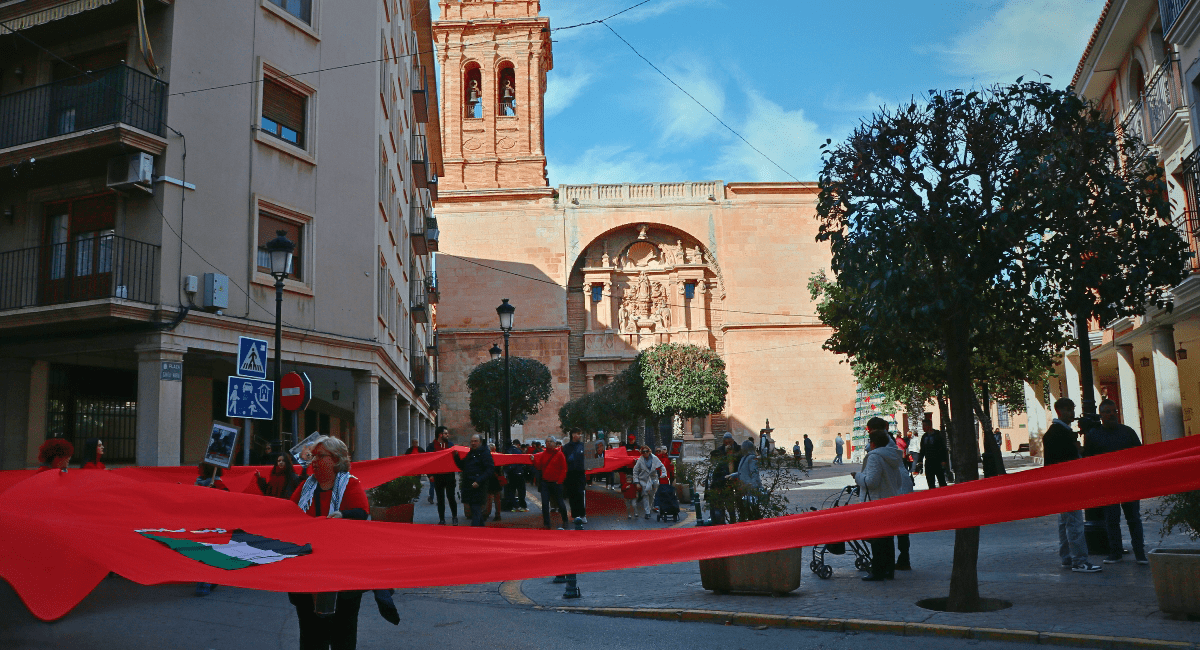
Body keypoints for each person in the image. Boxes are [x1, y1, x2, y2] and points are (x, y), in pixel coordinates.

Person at [287, 436, 372, 647]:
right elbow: (288, 512)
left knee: (343, 633)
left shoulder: (350, 483)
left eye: (320, 456)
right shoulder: (306, 485)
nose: (314, 461)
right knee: (309, 632)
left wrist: (342, 515)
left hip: (341, 573)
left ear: (335, 459)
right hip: (307, 569)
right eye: (312, 456)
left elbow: (362, 512)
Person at [1084, 399, 1147, 565]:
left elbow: (1140, 455)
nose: (1112, 414)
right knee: (1111, 521)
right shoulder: (1093, 436)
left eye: (1114, 411)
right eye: (1108, 412)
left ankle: (1140, 553)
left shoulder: (1128, 432)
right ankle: (1115, 553)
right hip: (1107, 485)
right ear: (1101, 415)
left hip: (1129, 484)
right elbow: (1088, 461)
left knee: (1134, 519)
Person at [1043, 397, 1102, 573]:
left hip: (1059, 484)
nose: (1072, 414)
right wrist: (1078, 451)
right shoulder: (1061, 434)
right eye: (1069, 410)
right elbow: (1068, 460)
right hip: (1068, 483)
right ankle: (1079, 560)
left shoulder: (1054, 433)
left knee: (1065, 522)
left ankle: (1067, 557)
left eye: (1072, 409)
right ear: (1060, 411)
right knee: (1075, 523)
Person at [853, 419, 905, 581]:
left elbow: (871, 482)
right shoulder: (893, 456)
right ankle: (888, 570)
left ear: (873, 443)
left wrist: (857, 477)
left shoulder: (874, 457)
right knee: (887, 539)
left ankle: (878, 570)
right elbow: (898, 481)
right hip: (889, 499)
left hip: (876, 502)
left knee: (876, 539)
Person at [194, 460, 230, 597]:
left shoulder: (219, 485)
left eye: (200, 467)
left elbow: (225, 503)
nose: (197, 469)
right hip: (198, 525)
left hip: (212, 526)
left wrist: (213, 493)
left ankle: (205, 583)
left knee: (207, 555)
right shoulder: (198, 483)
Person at [455, 434, 495, 527]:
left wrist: (479, 481)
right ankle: (480, 527)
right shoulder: (471, 453)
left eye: (475, 441)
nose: (473, 443)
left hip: (479, 485)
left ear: (480, 442)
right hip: (470, 484)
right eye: (472, 441)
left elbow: (489, 469)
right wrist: (456, 457)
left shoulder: (485, 453)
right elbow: (463, 466)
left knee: (476, 508)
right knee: (474, 509)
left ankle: (475, 530)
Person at [533, 436, 570, 529]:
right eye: (547, 441)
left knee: (560, 503)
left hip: (556, 483)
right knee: (545, 504)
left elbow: (564, 469)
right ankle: (547, 523)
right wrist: (533, 461)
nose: (548, 443)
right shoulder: (543, 454)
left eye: (550, 441)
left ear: (554, 443)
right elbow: (539, 467)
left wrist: (559, 481)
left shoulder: (560, 455)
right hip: (545, 483)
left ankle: (565, 520)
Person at [706, 432, 740, 525]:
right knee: (720, 508)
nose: (728, 443)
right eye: (726, 442)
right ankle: (722, 523)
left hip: (732, 482)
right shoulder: (720, 453)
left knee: (731, 507)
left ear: (732, 441)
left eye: (729, 441)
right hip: (722, 486)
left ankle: (734, 522)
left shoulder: (737, 449)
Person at [427, 426, 458, 525]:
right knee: (440, 499)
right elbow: (428, 462)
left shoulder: (451, 445)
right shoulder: (431, 447)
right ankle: (442, 519)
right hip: (438, 476)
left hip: (449, 476)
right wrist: (430, 475)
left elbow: (456, 459)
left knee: (451, 497)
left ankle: (454, 517)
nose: (447, 435)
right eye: (445, 433)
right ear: (440, 434)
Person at [633, 445, 665, 520]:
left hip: (653, 480)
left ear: (649, 451)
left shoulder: (654, 458)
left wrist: (663, 474)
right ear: (641, 453)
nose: (645, 453)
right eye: (643, 452)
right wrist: (636, 482)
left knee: (651, 496)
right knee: (645, 495)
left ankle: (649, 509)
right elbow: (635, 471)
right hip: (644, 480)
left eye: (646, 451)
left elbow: (662, 466)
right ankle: (647, 512)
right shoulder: (640, 460)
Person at [562, 429, 587, 523]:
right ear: (573, 435)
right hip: (570, 474)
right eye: (578, 433)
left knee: (580, 494)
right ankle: (576, 516)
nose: (580, 435)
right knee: (572, 495)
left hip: (580, 474)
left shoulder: (583, 446)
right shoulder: (566, 447)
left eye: (580, 434)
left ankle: (582, 515)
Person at [919, 416, 950, 489]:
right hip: (929, 461)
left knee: (941, 480)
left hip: (938, 461)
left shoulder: (937, 435)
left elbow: (943, 448)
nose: (923, 427)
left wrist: (943, 460)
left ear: (929, 426)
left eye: (924, 426)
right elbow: (922, 450)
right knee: (930, 481)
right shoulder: (924, 437)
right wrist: (920, 461)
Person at [504, 438, 528, 512]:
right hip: (519, 473)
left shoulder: (508, 450)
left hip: (511, 474)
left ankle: (514, 506)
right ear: (518, 444)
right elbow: (522, 462)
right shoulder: (518, 451)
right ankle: (522, 506)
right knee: (521, 491)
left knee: (512, 490)